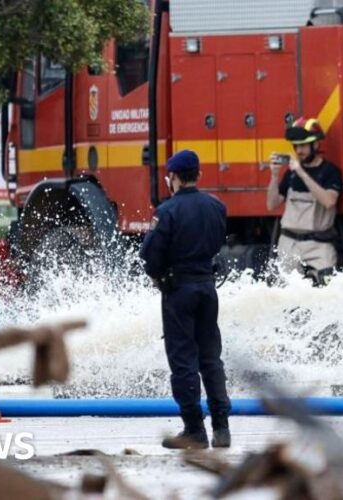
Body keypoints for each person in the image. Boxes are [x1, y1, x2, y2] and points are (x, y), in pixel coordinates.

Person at [139, 150, 231, 450]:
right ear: (199, 175)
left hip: (178, 291)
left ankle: (194, 429)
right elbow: (219, 242)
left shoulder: (167, 212)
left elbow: (151, 256)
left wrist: (158, 276)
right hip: (207, 286)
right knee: (210, 358)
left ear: (173, 178)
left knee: (183, 361)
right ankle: (222, 428)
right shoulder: (216, 206)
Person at [266, 117, 342, 285]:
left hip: (319, 244)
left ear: (315, 145)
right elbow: (271, 204)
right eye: (296, 146)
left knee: (327, 290)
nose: (299, 150)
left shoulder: (330, 172)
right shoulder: (290, 173)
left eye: (303, 146)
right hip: (289, 243)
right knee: (287, 296)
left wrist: (302, 173)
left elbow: (329, 201)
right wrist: (274, 175)